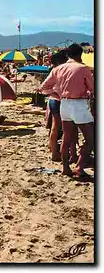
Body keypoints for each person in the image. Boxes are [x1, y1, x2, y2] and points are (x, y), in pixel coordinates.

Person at [38, 43, 94, 178]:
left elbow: (43, 88)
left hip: (64, 103)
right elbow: (93, 88)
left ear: (68, 55)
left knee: (67, 137)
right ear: (80, 55)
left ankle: (66, 167)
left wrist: (56, 93)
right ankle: (80, 167)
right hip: (78, 103)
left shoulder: (58, 69)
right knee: (91, 138)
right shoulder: (82, 68)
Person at [43, 51, 78, 163]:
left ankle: (55, 153)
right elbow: (43, 88)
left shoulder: (55, 71)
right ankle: (68, 154)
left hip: (54, 100)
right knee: (69, 128)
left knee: (56, 127)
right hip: (63, 100)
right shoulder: (67, 70)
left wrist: (53, 92)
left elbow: (44, 88)